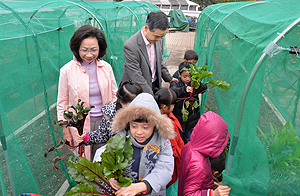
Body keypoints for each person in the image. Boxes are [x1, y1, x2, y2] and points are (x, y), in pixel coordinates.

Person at [57, 25, 118, 161]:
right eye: (84, 50)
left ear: (100, 48)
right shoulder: (66, 71)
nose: (89, 55)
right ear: (76, 48)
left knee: (105, 160)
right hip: (80, 126)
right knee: (85, 162)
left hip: (105, 123)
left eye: (94, 50)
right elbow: (62, 104)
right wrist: (66, 131)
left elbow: (115, 96)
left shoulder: (106, 68)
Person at [109, 93, 175, 196]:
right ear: (128, 124)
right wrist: (111, 176)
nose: (139, 132)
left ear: (155, 126)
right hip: (123, 191)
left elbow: (164, 169)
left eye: (145, 127)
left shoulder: (163, 143)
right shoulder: (121, 138)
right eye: (134, 126)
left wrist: (142, 186)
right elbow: (104, 155)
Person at [120, 11, 178, 95]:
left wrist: (169, 78)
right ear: (146, 28)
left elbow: (159, 63)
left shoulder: (158, 40)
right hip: (136, 89)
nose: (159, 39)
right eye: (157, 36)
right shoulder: (131, 46)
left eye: (162, 36)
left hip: (154, 84)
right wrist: (151, 96)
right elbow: (136, 75)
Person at [76, 81, 143, 150]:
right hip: (117, 155)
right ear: (122, 103)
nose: (138, 105)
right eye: (134, 103)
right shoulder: (111, 113)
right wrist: (86, 137)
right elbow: (102, 134)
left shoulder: (146, 114)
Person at [178, 111, 231, 196]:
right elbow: (188, 194)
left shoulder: (190, 146)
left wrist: (209, 186)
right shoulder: (199, 166)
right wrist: (212, 194)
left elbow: (192, 178)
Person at [170, 61, 207, 144]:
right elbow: (173, 91)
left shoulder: (194, 82)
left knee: (189, 138)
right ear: (179, 75)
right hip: (179, 116)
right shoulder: (176, 82)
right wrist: (184, 90)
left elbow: (204, 88)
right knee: (179, 137)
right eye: (185, 76)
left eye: (190, 76)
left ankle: (188, 153)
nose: (187, 79)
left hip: (192, 117)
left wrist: (198, 84)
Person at [154, 87, 184, 187]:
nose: (174, 107)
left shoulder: (154, 116)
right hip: (170, 161)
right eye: (173, 105)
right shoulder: (168, 123)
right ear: (164, 107)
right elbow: (174, 147)